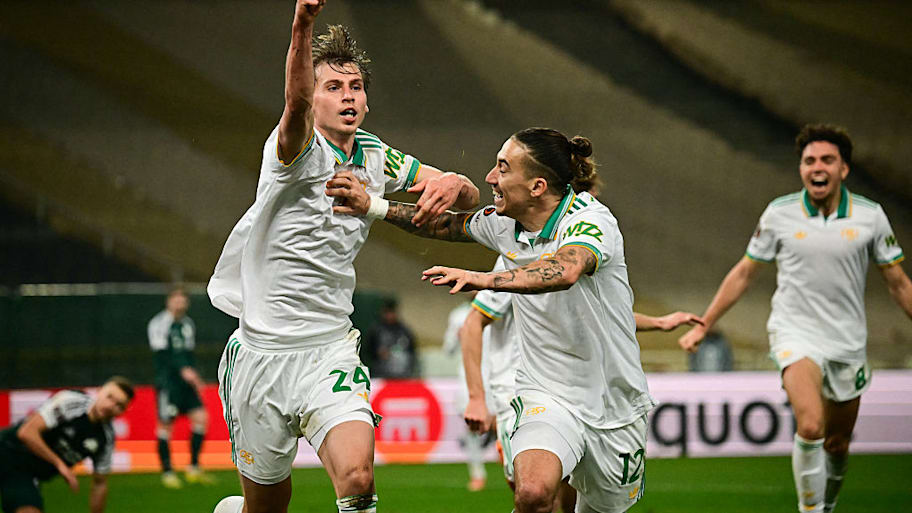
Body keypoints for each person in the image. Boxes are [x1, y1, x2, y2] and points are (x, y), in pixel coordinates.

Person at [208, 2, 479, 513]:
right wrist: (302, 25)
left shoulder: (377, 155)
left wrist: (453, 184)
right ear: (314, 99)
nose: (347, 96)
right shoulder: (296, 152)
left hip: (329, 348)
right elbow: (291, 105)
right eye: (333, 87)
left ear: (367, 101)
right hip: (262, 356)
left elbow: (460, 194)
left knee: (357, 478)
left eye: (355, 87)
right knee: (267, 505)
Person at [330, 126, 657, 513]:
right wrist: (373, 206)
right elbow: (447, 224)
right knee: (533, 493)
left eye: (502, 168)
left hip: (615, 405)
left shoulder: (590, 220)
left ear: (537, 186)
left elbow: (565, 270)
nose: (489, 178)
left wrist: (485, 279)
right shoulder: (505, 222)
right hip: (545, 393)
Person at [677, 124, 912, 513]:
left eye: (826, 160)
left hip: (847, 340)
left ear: (844, 170)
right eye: (809, 160)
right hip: (794, 332)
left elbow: (899, 283)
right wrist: (706, 322)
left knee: (837, 444)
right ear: (801, 168)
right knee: (810, 427)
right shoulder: (779, 214)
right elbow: (744, 272)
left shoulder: (871, 218)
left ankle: (828, 502)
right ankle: (810, 511)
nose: (817, 167)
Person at [461, 256, 700, 512]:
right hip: (520, 392)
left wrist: (658, 323)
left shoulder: (576, 251)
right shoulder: (515, 256)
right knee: (534, 494)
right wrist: (477, 398)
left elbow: (605, 317)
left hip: (569, 391)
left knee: (572, 486)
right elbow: (473, 323)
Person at [0, 377, 134, 513]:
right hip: (7, 449)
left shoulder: (106, 438)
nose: (111, 406)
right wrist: (60, 464)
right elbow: (27, 433)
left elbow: (100, 483)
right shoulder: (71, 402)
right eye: (110, 397)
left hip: (22, 473)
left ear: (122, 412)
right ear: (99, 391)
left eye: (119, 405)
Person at [147, 286, 212, 488]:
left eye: (183, 300)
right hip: (168, 382)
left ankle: (193, 467)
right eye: (176, 299)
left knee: (201, 418)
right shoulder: (159, 323)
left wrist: (191, 373)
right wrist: (183, 370)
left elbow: (188, 353)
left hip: (186, 382)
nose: (179, 304)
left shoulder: (187, 324)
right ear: (169, 302)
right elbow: (161, 354)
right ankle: (167, 472)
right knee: (166, 424)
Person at [442, 291, 490, 492]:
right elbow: (448, 349)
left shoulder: (502, 309)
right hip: (468, 377)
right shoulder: (458, 315)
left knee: (505, 424)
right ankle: (477, 473)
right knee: (471, 425)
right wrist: (456, 336)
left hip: (499, 375)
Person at [365, 299, 418, 379]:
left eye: (391, 312)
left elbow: (412, 352)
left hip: (402, 375)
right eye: (387, 313)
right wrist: (378, 353)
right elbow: (368, 351)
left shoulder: (405, 331)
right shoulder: (375, 330)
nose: (389, 316)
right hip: (380, 374)